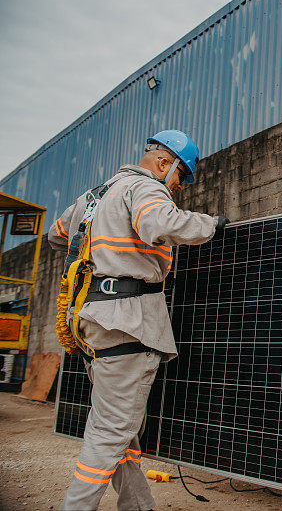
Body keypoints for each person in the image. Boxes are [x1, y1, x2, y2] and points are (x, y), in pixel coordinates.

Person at [48, 130, 228, 511]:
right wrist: (210, 224)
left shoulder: (95, 196)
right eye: (182, 176)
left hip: (93, 322)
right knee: (111, 431)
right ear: (165, 163)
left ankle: (138, 506)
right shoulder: (146, 188)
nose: (179, 186)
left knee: (121, 428)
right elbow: (162, 223)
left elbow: (56, 234)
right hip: (128, 323)